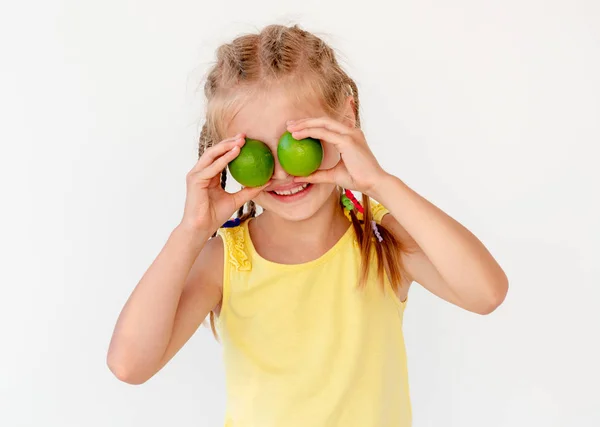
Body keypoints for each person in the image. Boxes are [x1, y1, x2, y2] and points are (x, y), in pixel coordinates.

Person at [107, 24, 508, 427]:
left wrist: (381, 184)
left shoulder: (382, 240)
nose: (282, 173)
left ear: (345, 117)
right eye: (255, 152)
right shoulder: (225, 260)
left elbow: (486, 293)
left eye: (299, 143)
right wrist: (189, 232)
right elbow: (129, 365)